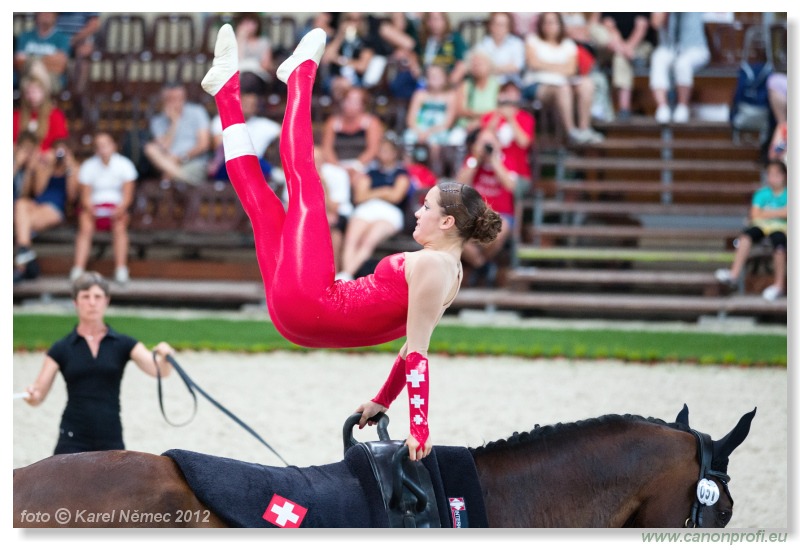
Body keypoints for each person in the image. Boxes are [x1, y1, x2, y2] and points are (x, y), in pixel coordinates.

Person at [201, 24, 502, 461]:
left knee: (307, 184)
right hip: (297, 319)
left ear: (448, 221)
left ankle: (300, 74)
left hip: (312, 302)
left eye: (427, 207)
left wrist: (419, 428)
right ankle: (226, 92)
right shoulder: (448, 272)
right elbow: (408, 352)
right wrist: (382, 401)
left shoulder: (435, 268)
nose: (417, 212)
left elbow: (416, 357)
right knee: (264, 207)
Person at [23, 271, 176, 454]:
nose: (92, 302)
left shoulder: (123, 343)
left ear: (106, 301)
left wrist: (167, 357)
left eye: (97, 296)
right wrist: (32, 395)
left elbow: (160, 371)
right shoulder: (61, 348)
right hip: (72, 436)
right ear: (75, 302)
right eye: (85, 296)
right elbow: (38, 395)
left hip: (110, 436)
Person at [337, 137, 412, 281]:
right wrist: (385, 191)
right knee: (351, 239)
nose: (383, 153)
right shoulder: (370, 172)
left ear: (395, 153)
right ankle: (347, 275)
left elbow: (396, 196)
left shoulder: (402, 173)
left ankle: (346, 275)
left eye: (387, 150)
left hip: (389, 212)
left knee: (368, 240)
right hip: (366, 210)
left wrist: (372, 193)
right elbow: (359, 196)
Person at [522, 12, 602, 145]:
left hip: (564, 83)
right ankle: (571, 131)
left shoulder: (568, 44)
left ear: (560, 25)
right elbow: (533, 63)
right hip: (537, 85)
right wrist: (559, 67)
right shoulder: (533, 40)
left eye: (552, 22)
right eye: (546, 22)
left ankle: (584, 128)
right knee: (563, 88)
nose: (549, 26)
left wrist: (545, 65)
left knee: (587, 83)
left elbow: (571, 70)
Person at [70, 132, 138, 285]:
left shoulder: (125, 165)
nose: (103, 149)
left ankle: (121, 269)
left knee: (120, 226)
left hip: (116, 207)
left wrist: (120, 209)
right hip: (94, 207)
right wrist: (90, 209)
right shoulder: (88, 166)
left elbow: (128, 195)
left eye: (105, 145)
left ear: (113, 146)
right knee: (85, 226)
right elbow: (85, 195)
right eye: (99, 146)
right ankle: (78, 268)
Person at [715, 160, 787, 301]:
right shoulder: (761, 194)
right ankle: (734, 275)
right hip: (761, 226)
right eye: (769, 174)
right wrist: (779, 212)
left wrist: (765, 212)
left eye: (775, 174)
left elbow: (789, 213)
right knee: (745, 237)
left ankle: (778, 285)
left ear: (783, 176)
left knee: (779, 245)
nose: (771, 177)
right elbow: (754, 214)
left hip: (781, 228)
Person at [14, 138, 79, 284]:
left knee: (24, 224)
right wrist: (47, 167)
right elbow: (38, 191)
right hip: (37, 205)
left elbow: (72, 197)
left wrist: (68, 168)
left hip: (55, 208)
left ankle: (22, 265)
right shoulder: (45, 167)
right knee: (20, 204)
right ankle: (25, 253)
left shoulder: (74, 169)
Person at [588, 12, 656, 121]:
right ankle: (616, 109)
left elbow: (641, 27)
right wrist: (622, 48)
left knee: (620, 59)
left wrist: (627, 48)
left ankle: (624, 109)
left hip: (638, 46)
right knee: (595, 30)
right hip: (614, 47)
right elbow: (605, 25)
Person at [143, 82, 211, 186]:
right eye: (170, 99)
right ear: (163, 100)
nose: (175, 102)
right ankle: (178, 177)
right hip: (168, 163)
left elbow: (203, 144)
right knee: (150, 148)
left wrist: (180, 158)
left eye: (178, 98)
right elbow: (164, 147)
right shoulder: (158, 121)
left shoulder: (197, 112)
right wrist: (174, 122)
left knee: (169, 176)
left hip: (193, 161)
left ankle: (170, 177)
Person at [649, 12, 710, 124]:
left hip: (694, 48)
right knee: (658, 58)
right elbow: (655, 23)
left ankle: (682, 107)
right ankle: (662, 107)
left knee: (682, 63)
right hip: (670, 48)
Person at [208, 90, 279, 182]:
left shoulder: (264, 124)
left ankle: (275, 175)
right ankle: (274, 174)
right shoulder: (222, 119)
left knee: (252, 160)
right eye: (245, 103)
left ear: (256, 107)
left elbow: (286, 134)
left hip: (256, 169)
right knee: (245, 157)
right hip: (227, 166)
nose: (247, 107)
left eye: (251, 105)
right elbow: (220, 145)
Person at [320, 85, 384, 181]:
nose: (350, 105)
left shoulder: (371, 123)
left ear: (363, 105)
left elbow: (373, 150)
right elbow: (327, 149)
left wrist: (356, 166)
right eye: (348, 100)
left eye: (355, 102)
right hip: (337, 165)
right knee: (327, 175)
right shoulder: (332, 122)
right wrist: (338, 167)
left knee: (361, 179)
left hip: (363, 165)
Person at [402, 63, 459, 169]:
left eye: (437, 75)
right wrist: (420, 132)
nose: (433, 78)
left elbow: (448, 122)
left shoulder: (451, 96)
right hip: (419, 129)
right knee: (408, 137)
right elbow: (410, 119)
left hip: (439, 130)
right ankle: (409, 169)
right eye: (430, 75)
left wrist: (429, 133)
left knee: (434, 142)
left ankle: (433, 171)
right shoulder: (420, 94)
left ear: (445, 78)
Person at [452, 48, 500, 146]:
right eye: (474, 64)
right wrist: (484, 115)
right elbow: (460, 109)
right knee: (455, 138)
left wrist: (480, 122)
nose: (477, 67)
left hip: (490, 125)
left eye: (481, 63)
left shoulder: (497, 85)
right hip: (466, 126)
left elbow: (499, 111)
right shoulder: (465, 85)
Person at [13, 12, 71, 93]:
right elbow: (18, 63)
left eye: (50, 13)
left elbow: (59, 66)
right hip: (26, 77)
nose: (47, 14)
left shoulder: (62, 38)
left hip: (51, 79)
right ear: (37, 15)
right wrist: (48, 60)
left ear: (55, 17)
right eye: (43, 12)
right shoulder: (24, 36)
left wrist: (32, 60)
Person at [415, 12, 468, 88]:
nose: (434, 23)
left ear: (445, 20)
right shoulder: (423, 39)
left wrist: (449, 84)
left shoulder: (455, 38)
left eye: (437, 19)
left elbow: (463, 63)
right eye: (430, 20)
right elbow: (413, 55)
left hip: (448, 83)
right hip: (426, 82)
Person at [476, 12, 526, 86]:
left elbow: (517, 67)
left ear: (508, 27)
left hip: (511, 85)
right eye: (496, 24)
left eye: (502, 25)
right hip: (488, 85)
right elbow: (479, 69)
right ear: (490, 26)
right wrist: (506, 67)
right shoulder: (482, 45)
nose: (499, 28)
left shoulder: (516, 43)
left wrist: (491, 69)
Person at [233, 12, 274, 95]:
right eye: (246, 23)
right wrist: (241, 39)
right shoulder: (236, 41)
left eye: (252, 23)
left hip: (258, 77)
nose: (250, 26)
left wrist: (252, 65)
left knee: (249, 77)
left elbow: (266, 65)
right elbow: (236, 61)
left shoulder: (263, 42)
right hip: (240, 75)